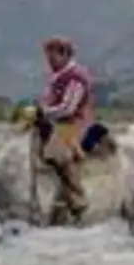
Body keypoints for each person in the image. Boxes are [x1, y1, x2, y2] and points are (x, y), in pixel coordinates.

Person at [36, 36, 95, 219]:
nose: (49, 61)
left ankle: (77, 196)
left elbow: (68, 108)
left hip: (75, 122)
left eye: (53, 57)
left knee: (57, 153)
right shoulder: (56, 77)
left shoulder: (76, 77)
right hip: (58, 122)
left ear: (65, 55)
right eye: (48, 57)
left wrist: (45, 112)